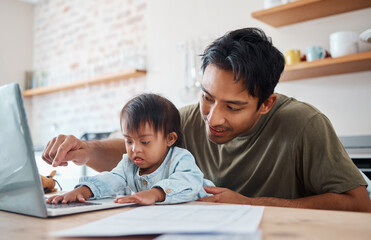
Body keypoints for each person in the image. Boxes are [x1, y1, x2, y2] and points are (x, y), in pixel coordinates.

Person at [42, 28, 371, 211]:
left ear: (266, 103)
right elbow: (136, 150)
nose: (213, 118)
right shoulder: (187, 120)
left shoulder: (305, 124)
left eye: (234, 106)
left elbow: (358, 204)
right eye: (207, 97)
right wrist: (84, 151)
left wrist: (251, 204)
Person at [47, 93, 214, 205]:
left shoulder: (180, 158)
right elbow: (112, 179)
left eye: (145, 142)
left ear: (170, 139)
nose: (135, 149)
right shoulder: (128, 164)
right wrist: (81, 191)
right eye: (128, 141)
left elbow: (189, 182)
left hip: (209, 210)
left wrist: (155, 194)